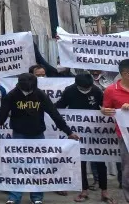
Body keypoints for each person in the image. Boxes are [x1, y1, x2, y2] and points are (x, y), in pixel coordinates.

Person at [0, 72, 80, 204]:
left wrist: (68, 132)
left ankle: (37, 198)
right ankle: (14, 197)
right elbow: (2, 114)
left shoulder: (40, 94)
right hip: (19, 135)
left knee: (38, 166)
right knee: (18, 165)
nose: (28, 91)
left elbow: (54, 113)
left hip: (37, 135)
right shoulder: (11, 95)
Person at [56, 73, 113, 203]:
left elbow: (104, 106)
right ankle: (84, 190)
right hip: (77, 133)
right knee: (80, 162)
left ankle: (104, 191)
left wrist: (106, 110)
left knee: (100, 161)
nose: (86, 90)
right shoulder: (69, 91)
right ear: (77, 85)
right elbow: (61, 105)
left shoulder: (96, 90)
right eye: (83, 88)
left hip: (95, 132)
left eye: (88, 87)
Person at [101, 59, 129, 201]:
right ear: (125, 73)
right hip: (125, 136)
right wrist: (105, 111)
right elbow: (106, 109)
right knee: (127, 169)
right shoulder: (111, 90)